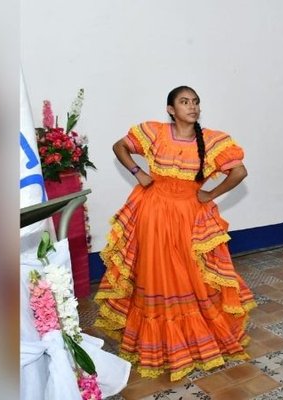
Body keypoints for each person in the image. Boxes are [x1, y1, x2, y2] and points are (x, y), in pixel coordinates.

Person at [93, 85, 256, 381]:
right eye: (184, 102)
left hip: (189, 216)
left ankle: (195, 340)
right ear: (171, 109)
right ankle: (161, 344)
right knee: (155, 271)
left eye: (195, 102)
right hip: (152, 212)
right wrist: (137, 172)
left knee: (191, 272)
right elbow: (120, 146)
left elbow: (240, 172)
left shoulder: (214, 141)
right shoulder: (154, 131)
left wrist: (210, 194)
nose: (192, 107)